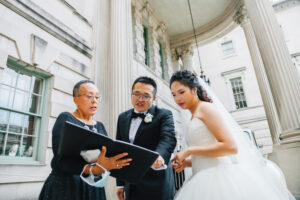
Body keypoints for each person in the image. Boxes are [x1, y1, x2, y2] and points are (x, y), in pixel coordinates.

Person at [170, 70, 295, 200]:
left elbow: (230, 147)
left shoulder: (206, 108)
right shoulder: (193, 116)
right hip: (200, 174)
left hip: (217, 178)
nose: (177, 98)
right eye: (173, 94)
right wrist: (187, 163)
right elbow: (206, 152)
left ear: (194, 90)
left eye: (181, 92)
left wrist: (189, 150)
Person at [39, 80, 131, 200]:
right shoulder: (66, 118)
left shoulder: (100, 126)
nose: (94, 101)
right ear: (76, 100)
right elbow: (61, 159)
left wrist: (110, 164)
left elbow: (105, 157)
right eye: (89, 96)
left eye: (97, 97)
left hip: (93, 187)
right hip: (66, 186)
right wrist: (92, 169)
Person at [115, 76, 177, 200]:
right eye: (136, 94)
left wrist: (158, 156)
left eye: (146, 96)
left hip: (157, 183)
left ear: (154, 98)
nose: (140, 99)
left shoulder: (164, 115)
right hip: (131, 183)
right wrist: (120, 184)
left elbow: (168, 139)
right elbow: (119, 149)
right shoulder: (123, 117)